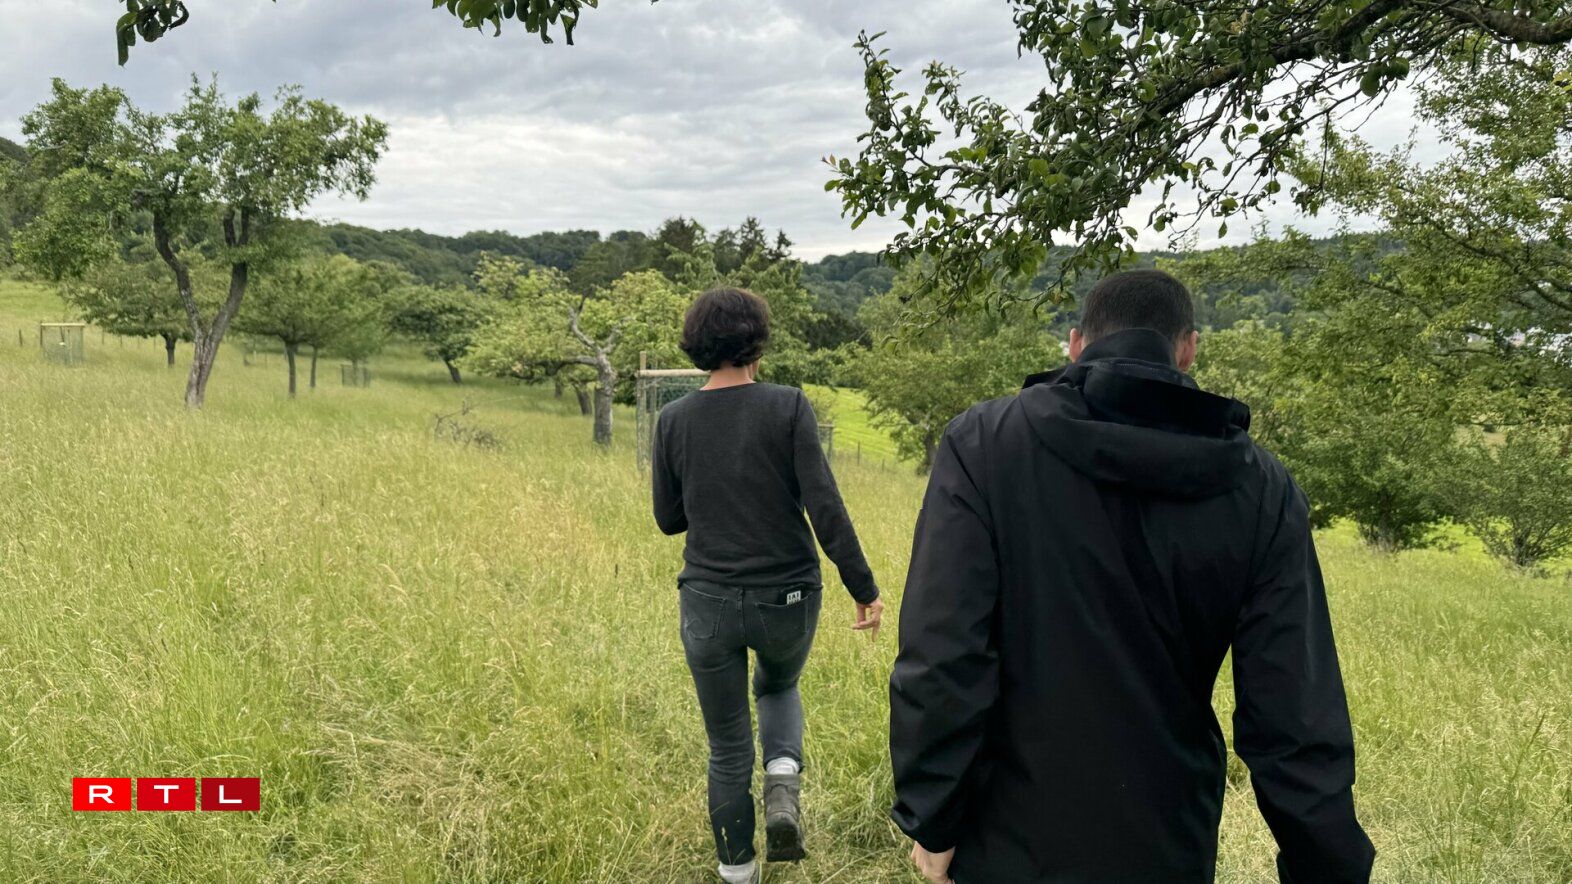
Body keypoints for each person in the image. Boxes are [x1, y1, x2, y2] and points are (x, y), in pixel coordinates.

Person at [889, 269, 1375, 884]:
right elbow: (1296, 718)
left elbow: (942, 654)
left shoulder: (984, 444)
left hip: (1004, 833)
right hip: (1167, 841)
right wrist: (1327, 868)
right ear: (1188, 348)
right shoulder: (1261, 488)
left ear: (1075, 343)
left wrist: (933, 816)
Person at [652, 286, 884, 884]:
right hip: (788, 596)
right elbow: (824, 506)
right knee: (778, 686)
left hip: (706, 600)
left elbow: (668, 518)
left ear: (697, 342)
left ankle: (739, 872)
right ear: (757, 341)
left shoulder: (671, 419)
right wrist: (863, 585)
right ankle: (783, 780)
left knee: (727, 747)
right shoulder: (788, 406)